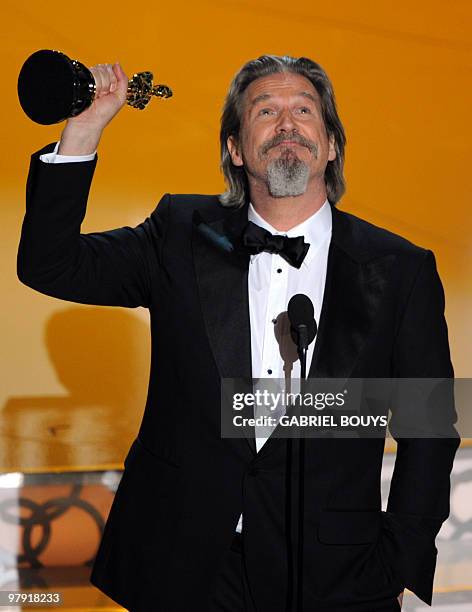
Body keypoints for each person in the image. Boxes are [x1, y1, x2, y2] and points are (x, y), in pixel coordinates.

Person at [17, 55, 459, 612]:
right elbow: (49, 264)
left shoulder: (400, 268)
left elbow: (429, 428)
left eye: (304, 110)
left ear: (331, 146)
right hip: (185, 568)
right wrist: (84, 129)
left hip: (337, 578)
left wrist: (399, 560)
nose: (286, 124)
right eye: (265, 111)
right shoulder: (180, 232)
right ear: (235, 149)